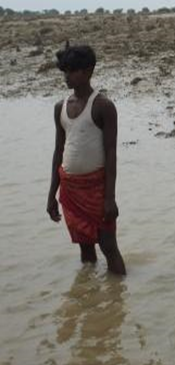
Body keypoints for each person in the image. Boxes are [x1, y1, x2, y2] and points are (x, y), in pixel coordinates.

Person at [46, 43, 126, 275]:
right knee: (85, 249)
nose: (67, 76)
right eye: (65, 71)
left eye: (72, 71)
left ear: (88, 71)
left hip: (97, 189)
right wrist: (52, 194)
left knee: (109, 246)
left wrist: (109, 198)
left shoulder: (103, 106)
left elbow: (111, 154)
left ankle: (117, 298)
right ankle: (90, 297)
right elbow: (58, 151)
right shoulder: (60, 107)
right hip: (70, 190)